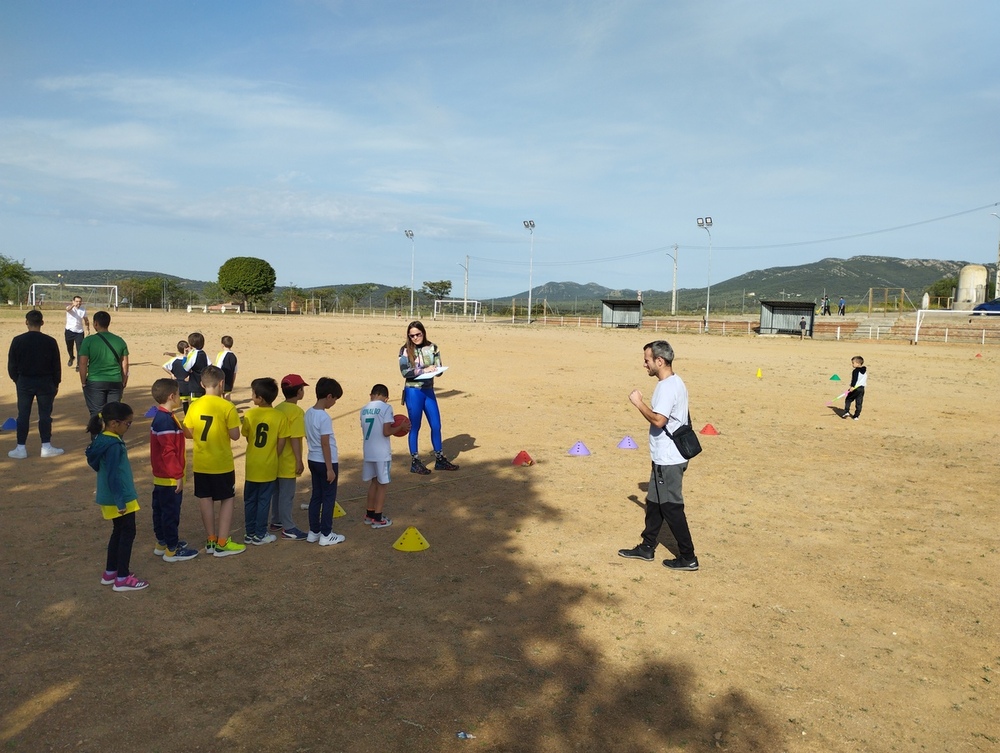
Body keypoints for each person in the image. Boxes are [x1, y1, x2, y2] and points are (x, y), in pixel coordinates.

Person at [618, 340, 699, 571]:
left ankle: (688, 556)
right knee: (653, 502)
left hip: (669, 459)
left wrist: (638, 403)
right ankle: (647, 546)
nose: (645, 364)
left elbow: (658, 420)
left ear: (659, 361)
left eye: (647, 360)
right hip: (664, 458)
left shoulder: (666, 388)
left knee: (671, 507)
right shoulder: (675, 381)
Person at [86, 401, 149, 592]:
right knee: (127, 533)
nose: (128, 427)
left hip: (110, 496)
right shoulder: (113, 444)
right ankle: (122, 577)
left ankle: (110, 572)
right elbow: (113, 474)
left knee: (118, 532)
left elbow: (95, 462)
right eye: (127, 424)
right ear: (114, 423)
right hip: (120, 497)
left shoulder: (101, 439)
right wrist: (120, 500)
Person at [182, 365, 245, 557]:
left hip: (202, 463)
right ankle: (223, 542)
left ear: (201, 384)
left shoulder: (194, 405)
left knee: (205, 499)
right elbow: (235, 435)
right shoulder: (227, 406)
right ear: (222, 383)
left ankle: (210, 539)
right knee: (227, 499)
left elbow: (188, 432)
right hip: (222, 463)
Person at [398, 320, 458, 474]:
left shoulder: (433, 348)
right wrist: (424, 370)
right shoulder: (405, 350)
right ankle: (415, 461)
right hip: (413, 391)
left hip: (428, 390)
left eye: (418, 334)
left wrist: (437, 370)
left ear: (423, 333)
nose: (415, 338)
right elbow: (405, 372)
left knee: (436, 425)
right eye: (412, 336)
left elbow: (439, 368)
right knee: (415, 426)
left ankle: (439, 459)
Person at [149, 378, 198, 562]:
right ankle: (172, 549)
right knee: (170, 513)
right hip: (169, 477)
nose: (179, 396)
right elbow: (168, 452)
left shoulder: (164, 417)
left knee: (161, 510)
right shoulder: (166, 421)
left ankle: (162, 542)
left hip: (161, 476)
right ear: (172, 396)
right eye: (178, 394)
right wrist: (178, 475)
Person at [7, 309, 64, 459]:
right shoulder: (50, 341)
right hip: (45, 382)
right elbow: (56, 365)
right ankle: (46, 446)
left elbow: (12, 365)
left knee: (23, 415)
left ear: (26, 322)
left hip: (24, 381)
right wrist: (56, 383)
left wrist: (17, 379)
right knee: (45, 415)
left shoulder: (17, 340)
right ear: (42, 323)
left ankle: (21, 447)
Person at [241, 377, 289, 545]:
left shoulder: (250, 414)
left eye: (253, 394)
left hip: (252, 464)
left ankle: (250, 532)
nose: (252, 396)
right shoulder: (279, 416)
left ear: (260, 398)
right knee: (263, 500)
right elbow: (281, 442)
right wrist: (272, 455)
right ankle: (260, 534)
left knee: (250, 500)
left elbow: (248, 436)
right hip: (269, 465)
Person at [360, 384, 409, 529]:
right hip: (381, 453)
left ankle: (369, 514)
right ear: (386, 398)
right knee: (382, 485)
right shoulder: (386, 408)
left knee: (373, 483)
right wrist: (400, 428)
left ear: (371, 395)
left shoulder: (363, 409)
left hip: (368, 451)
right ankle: (378, 517)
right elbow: (386, 431)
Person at [305, 377, 346, 546]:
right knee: (328, 498)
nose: (334, 402)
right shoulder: (324, 417)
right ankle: (326, 534)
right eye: (335, 398)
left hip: (312, 459)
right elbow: (325, 443)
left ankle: (314, 531)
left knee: (316, 496)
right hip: (325, 462)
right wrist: (330, 468)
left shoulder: (308, 412)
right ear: (329, 396)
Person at [269, 374, 309, 539]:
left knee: (277, 492)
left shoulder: (277, 408)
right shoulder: (297, 412)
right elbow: (295, 437)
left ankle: (276, 520)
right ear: (299, 392)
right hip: (288, 460)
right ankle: (288, 527)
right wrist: (299, 460)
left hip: (275, 458)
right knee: (287, 494)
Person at [78, 310, 129, 419]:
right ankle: (112, 435)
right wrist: (124, 380)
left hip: (95, 381)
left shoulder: (88, 341)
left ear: (95, 323)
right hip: (115, 380)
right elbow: (125, 364)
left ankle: (97, 435)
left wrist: (83, 381)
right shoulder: (119, 341)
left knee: (96, 414)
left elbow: (82, 363)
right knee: (113, 414)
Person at [162, 340, 192, 414]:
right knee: (187, 401)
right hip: (187, 384)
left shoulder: (174, 360)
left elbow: (164, 366)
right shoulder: (190, 359)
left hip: (177, 384)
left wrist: (172, 374)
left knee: (178, 401)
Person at [64, 295, 91, 368]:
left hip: (79, 332)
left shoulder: (83, 310)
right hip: (69, 330)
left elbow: (86, 320)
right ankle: (71, 357)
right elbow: (68, 309)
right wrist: (73, 305)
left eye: (80, 301)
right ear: (73, 301)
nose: (78, 303)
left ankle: (78, 365)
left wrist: (87, 328)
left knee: (80, 349)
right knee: (69, 347)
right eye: (76, 301)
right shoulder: (70, 308)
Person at [183, 332, 210, 404]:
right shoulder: (203, 353)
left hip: (195, 383)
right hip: (204, 382)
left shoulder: (193, 354)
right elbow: (210, 364)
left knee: (195, 403)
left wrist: (186, 356)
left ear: (191, 344)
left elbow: (186, 367)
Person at [843, 356, 867, 421]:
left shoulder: (855, 371)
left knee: (848, 399)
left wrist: (852, 387)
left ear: (857, 363)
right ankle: (856, 416)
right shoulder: (864, 371)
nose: (852, 364)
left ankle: (846, 412)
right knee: (859, 403)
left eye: (853, 363)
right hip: (862, 389)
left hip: (856, 388)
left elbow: (854, 379)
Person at [215, 335, 238, 401]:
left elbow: (217, 368)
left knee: (218, 398)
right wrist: (232, 383)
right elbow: (235, 372)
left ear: (222, 345)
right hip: (229, 380)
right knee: (227, 397)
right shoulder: (234, 356)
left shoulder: (221, 354)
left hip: (220, 380)